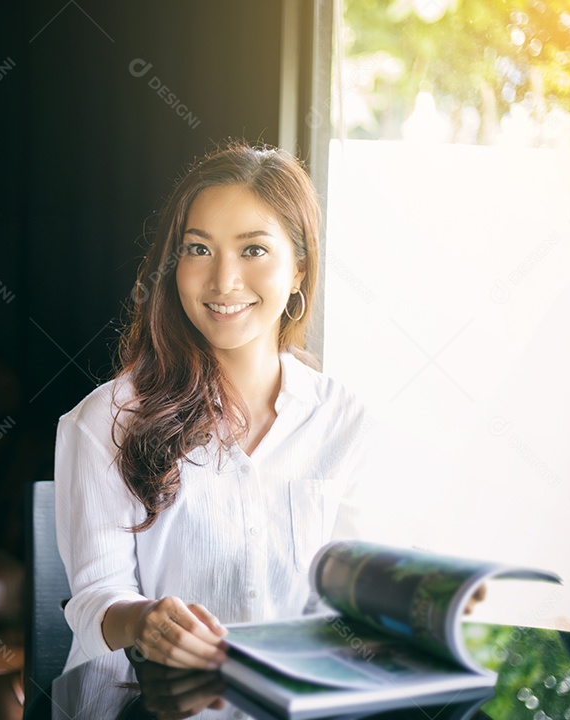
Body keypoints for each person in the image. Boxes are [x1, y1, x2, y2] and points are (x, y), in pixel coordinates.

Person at [53, 141, 375, 677]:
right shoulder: (105, 422)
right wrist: (144, 622)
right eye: (198, 249)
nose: (223, 281)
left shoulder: (340, 418)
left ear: (298, 268)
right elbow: (93, 602)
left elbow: (348, 601)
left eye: (253, 250)